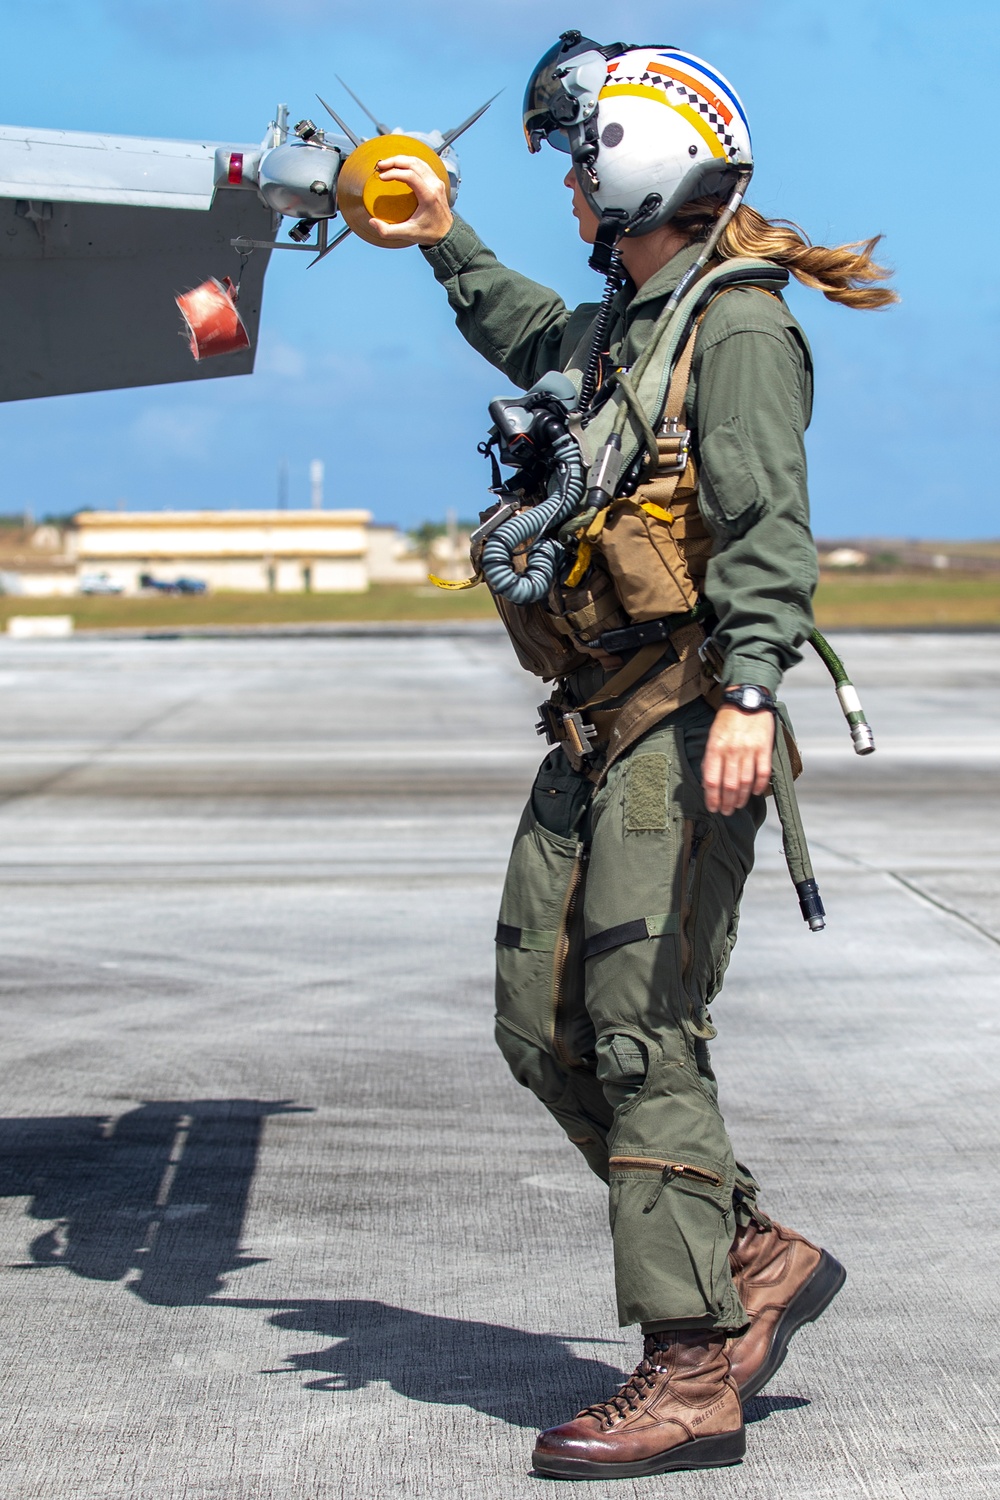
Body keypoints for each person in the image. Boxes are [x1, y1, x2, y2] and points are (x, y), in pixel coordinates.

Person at [365, 34, 896, 1480]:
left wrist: (749, 693)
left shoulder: (734, 324)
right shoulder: (625, 327)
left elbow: (768, 529)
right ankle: (749, 1251)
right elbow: (531, 328)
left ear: (645, 161)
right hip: (594, 721)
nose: (575, 184)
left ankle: (687, 1369)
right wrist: (438, 236)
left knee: (641, 1028)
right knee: (537, 1024)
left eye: (586, 158)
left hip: (684, 712)